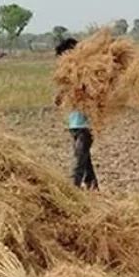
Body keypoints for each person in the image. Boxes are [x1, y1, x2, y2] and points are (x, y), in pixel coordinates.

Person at [54, 38, 99, 190]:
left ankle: (74, 192)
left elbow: (93, 95)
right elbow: (59, 101)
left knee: (79, 163)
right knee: (85, 162)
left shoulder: (86, 75)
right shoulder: (70, 78)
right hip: (74, 124)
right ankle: (94, 188)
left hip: (85, 126)